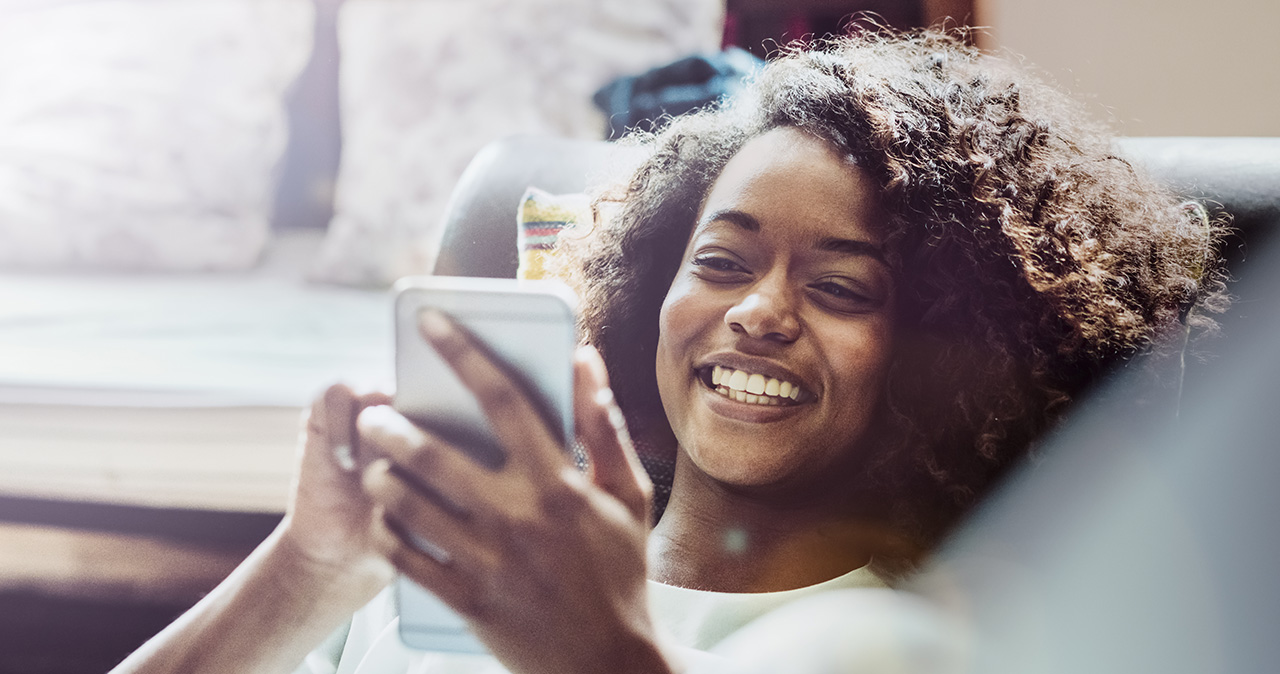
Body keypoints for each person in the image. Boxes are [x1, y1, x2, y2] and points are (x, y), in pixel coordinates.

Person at [110, 28, 1227, 674]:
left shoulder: (896, 641)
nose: (756, 312)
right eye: (722, 261)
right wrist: (306, 571)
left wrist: (595, 647)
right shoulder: (438, 575)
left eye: (837, 286)